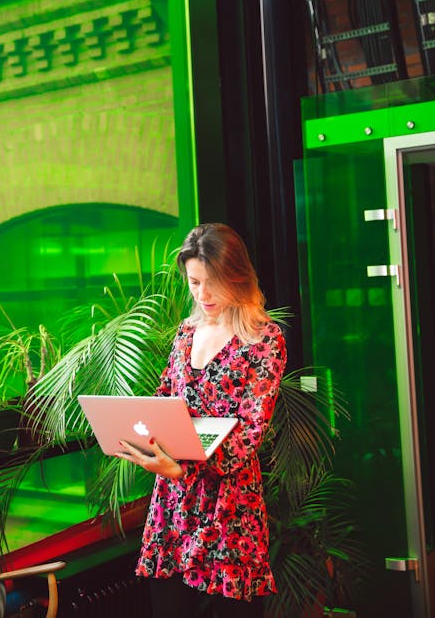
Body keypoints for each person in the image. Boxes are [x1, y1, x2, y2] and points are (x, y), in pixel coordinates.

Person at [116, 223, 287, 617]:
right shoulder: (185, 333)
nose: (203, 294)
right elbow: (164, 401)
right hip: (172, 508)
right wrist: (143, 439)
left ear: (237, 277)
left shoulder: (264, 339)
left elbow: (248, 434)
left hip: (229, 511)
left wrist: (182, 468)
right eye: (194, 282)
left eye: (213, 283)